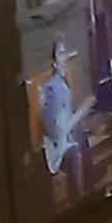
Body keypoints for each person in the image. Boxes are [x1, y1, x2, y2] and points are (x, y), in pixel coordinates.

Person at [39, 36, 95, 198]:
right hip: (58, 152)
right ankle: (76, 200)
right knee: (74, 152)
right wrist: (82, 111)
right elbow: (57, 132)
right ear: (54, 63)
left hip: (67, 141)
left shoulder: (64, 86)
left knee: (82, 140)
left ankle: (91, 191)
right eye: (61, 54)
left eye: (66, 53)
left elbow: (68, 124)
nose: (65, 58)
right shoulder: (50, 89)